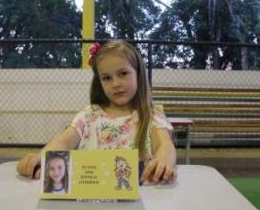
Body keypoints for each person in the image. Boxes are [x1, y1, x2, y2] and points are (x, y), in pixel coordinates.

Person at [17, 40, 177, 184]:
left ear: (138, 74)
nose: (115, 83)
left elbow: (165, 145)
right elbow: (63, 142)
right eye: (106, 78)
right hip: (90, 207)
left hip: (142, 203)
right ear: (99, 82)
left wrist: (163, 161)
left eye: (123, 73)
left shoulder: (152, 116)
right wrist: (41, 157)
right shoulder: (88, 116)